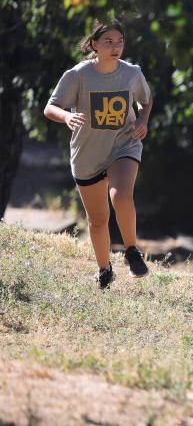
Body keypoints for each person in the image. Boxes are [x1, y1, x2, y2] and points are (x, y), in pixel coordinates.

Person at [44, 18, 153, 289]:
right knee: (97, 221)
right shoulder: (78, 75)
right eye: (108, 42)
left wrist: (142, 121)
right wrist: (67, 118)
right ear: (94, 44)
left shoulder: (132, 73)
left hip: (123, 145)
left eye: (120, 42)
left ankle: (131, 250)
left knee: (122, 195)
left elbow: (146, 99)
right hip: (87, 154)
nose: (116, 47)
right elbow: (51, 107)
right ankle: (104, 269)